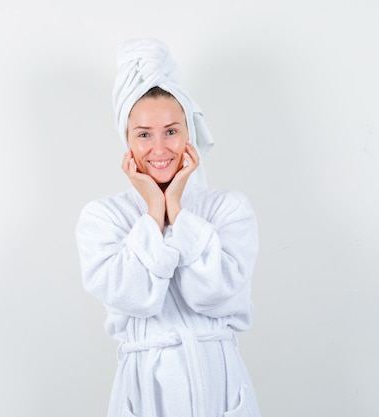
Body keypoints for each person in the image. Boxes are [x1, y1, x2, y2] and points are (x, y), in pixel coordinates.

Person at [75, 38, 262, 417]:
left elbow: (213, 294)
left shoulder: (228, 209)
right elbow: (137, 297)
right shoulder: (101, 219)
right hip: (146, 388)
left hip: (219, 383)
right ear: (127, 141)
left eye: (171, 131)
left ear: (189, 135)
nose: (159, 148)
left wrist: (175, 209)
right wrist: (152, 212)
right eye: (144, 134)